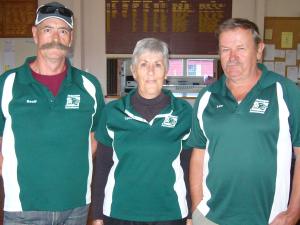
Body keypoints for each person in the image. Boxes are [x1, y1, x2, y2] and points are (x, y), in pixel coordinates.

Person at [0, 2, 105, 224]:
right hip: (23, 209)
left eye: (63, 30)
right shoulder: (7, 84)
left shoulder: (89, 85)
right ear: (35, 34)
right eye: (48, 29)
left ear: (71, 37)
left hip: (76, 206)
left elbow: (94, 139)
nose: (55, 37)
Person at [188, 18, 300, 225]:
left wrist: (293, 213)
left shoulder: (286, 92)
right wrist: (197, 208)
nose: (232, 57)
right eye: (225, 49)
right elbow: (198, 154)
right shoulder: (206, 96)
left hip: (269, 219)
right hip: (210, 218)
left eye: (241, 48)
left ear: (259, 50)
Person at [91, 38, 192, 225]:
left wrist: (190, 213)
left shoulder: (184, 112)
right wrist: (97, 215)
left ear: (166, 71)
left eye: (158, 64)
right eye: (144, 64)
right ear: (134, 71)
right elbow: (103, 166)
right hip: (119, 212)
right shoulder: (113, 111)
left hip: (170, 213)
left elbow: (187, 167)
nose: (151, 71)